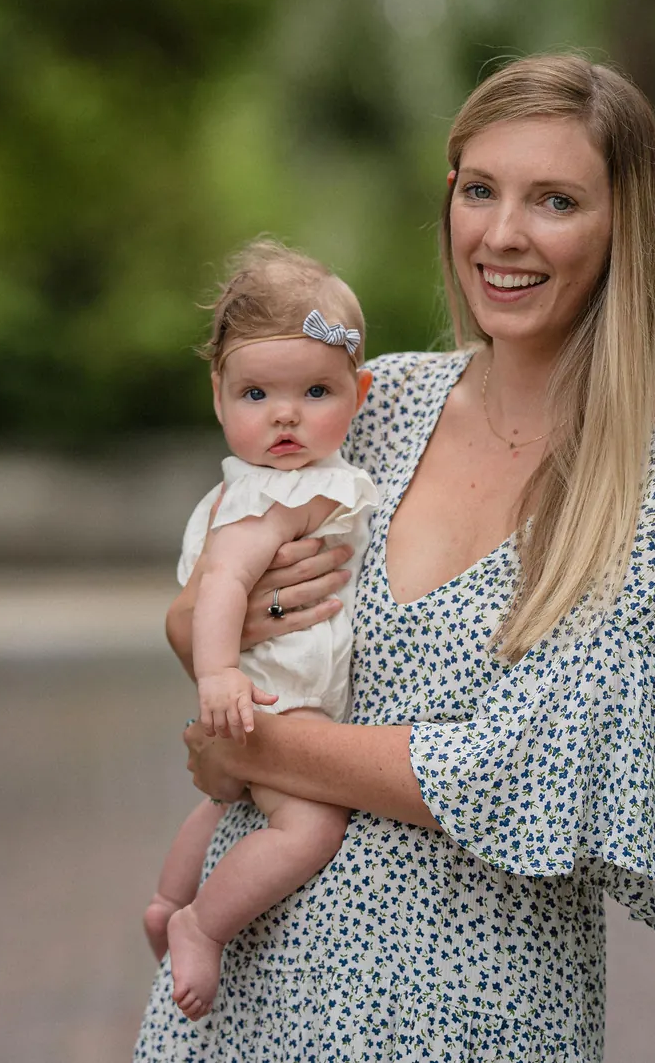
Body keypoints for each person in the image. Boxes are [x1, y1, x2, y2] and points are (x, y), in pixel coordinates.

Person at [134, 53, 655, 1061]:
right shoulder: (377, 403)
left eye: (553, 199)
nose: (502, 235)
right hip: (242, 998)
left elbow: (519, 771)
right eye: (479, 190)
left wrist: (248, 746)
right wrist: (205, 636)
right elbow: (213, 594)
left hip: (470, 1012)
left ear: (624, 227)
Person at [144, 240, 380, 1021]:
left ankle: (169, 895)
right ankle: (202, 925)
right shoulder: (284, 497)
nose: (284, 414)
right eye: (256, 395)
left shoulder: (259, 486)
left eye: (314, 390)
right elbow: (223, 583)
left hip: (262, 698)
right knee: (307, 829)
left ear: (360, 393)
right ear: (219, 397)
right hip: (275, 703)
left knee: (224, 805)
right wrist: (217, 675)